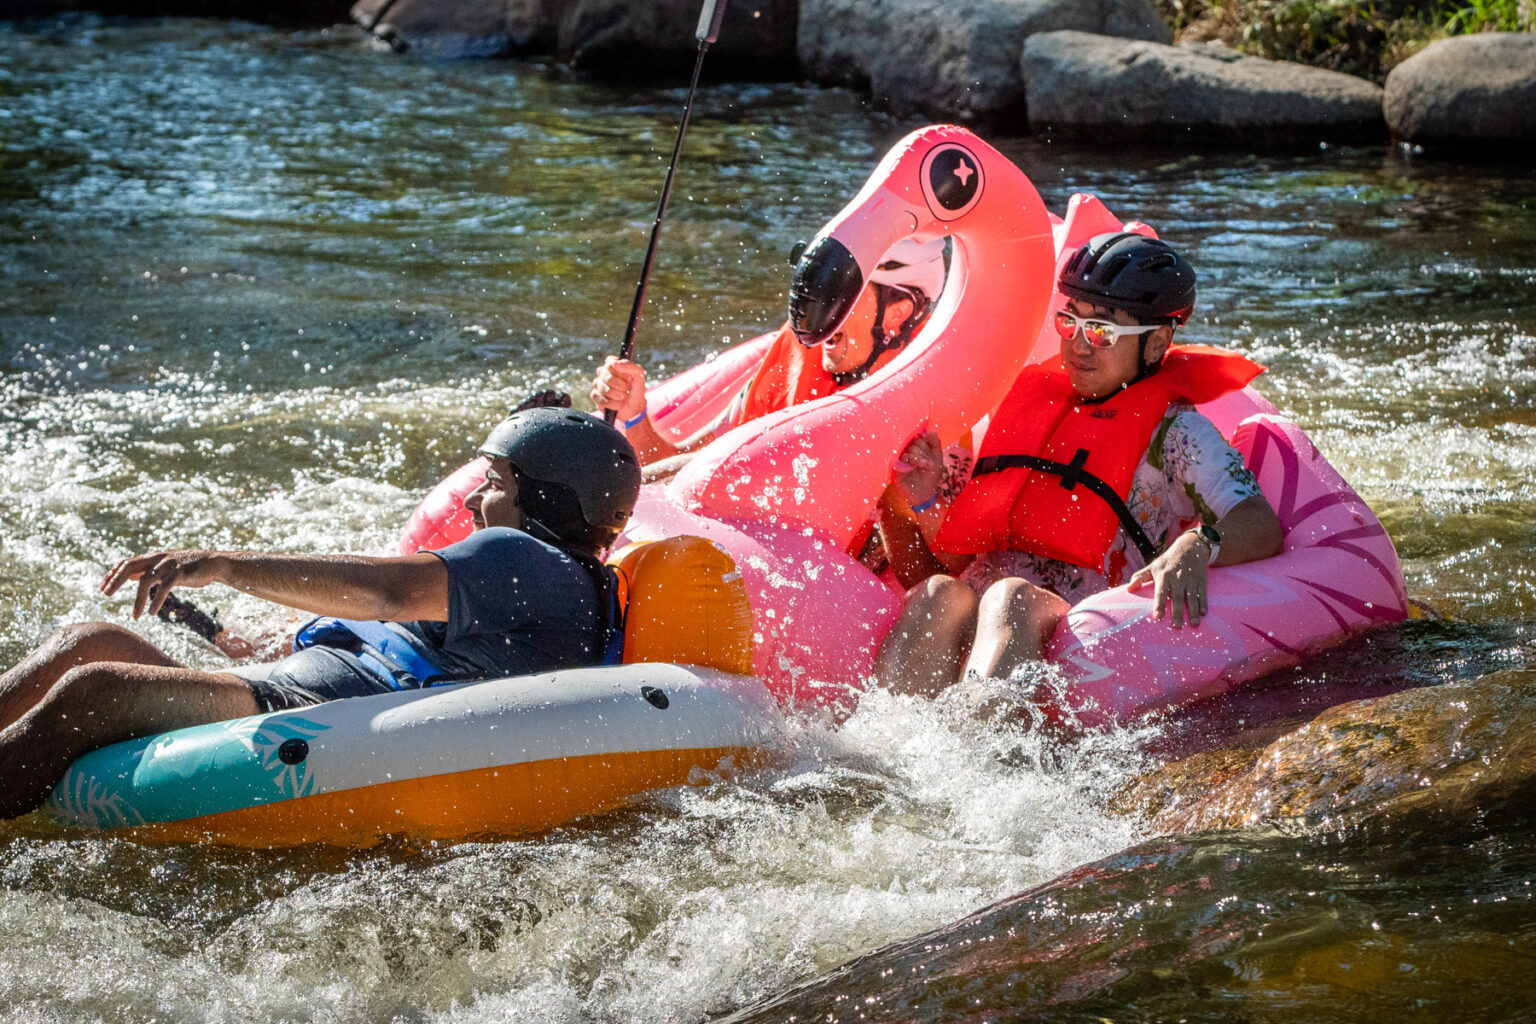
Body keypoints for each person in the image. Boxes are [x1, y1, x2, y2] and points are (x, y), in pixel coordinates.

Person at [0, 408, 641, 819]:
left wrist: (224, 565)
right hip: (295, 689)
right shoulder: (567, 580)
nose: (475, 499)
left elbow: (386, 591)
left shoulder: (525, 557)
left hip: (312, 721)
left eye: (496, 482)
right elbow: (392, 627)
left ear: (548, 499)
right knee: (91, 639)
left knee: (96, 688)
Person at [875, 233, 1285, 697]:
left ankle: (980, 749)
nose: (1079, 347)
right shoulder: (1027, 410)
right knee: (937, 594)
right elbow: (950, 563)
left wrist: (1200, 541)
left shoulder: (1177, 435)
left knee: (1011, 598)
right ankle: (876, 758)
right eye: (1069, 323)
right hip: (982, 610)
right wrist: (923, 497)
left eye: (1102, 332)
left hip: (1075, 624)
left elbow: (1259, 522)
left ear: (1155, 345)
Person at [591, 237, 948, 473]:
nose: (820, 312)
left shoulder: (938, 390)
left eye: (842, 293)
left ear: (897, 311)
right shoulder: (797, 352)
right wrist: (635, 417)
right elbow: (689, 466)